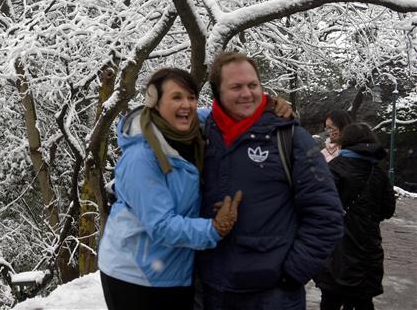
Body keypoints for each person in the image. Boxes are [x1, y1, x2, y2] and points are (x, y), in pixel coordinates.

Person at [197, 51, 344, 310]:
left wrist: (292, 276)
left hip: (272, 296)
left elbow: (327, 215)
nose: (247, 93)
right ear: (217, 92)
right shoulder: (199, 136)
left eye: (253, 85)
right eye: (236, 87)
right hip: (210, 293)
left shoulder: (289, 137)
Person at [98, 67, 242, 310]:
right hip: (135, 277)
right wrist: (214, 228)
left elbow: (227, 113)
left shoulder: (191, 132)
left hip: (173, 272)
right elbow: (162, 226)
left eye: (191, 97)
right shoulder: (142, 157)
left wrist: (270, 106)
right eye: (176, 97)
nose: (186, 105)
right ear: (154, 102)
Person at [315, 123, 396, 310]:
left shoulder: (333, 168)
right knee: (362, 302)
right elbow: (387, 210)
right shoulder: (378, 173)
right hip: (367, 252)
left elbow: (320, 207)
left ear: (346, 141)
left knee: (330, 301)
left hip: (336, 251)